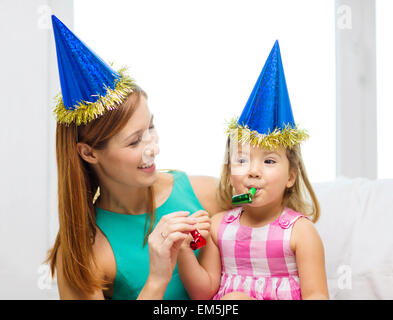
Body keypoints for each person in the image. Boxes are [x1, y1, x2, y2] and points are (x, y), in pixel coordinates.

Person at [45, 15, 221, 300]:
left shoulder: (207, 194)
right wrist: (157, 279)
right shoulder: (83, 251)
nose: (153, 148)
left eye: (150, 127)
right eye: (134, 141)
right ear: (89, 152)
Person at [177, 41, 329, 300]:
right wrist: (182, 250)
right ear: (229, 171)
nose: (254, 172)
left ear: (291, 176)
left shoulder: (300, 232)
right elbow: (204, 293)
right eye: (242, 161)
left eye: (269, 162)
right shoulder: (218, 227)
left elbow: (317, 295)